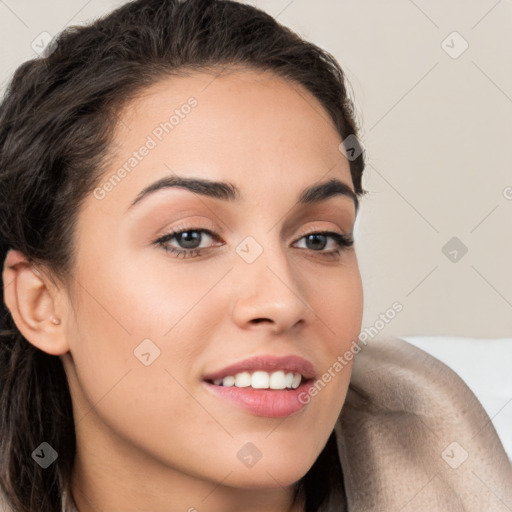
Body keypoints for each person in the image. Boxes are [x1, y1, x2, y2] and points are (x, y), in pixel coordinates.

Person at [0, 1, 510, 511]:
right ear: (42, 302)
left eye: (318, 239)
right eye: (190, 238)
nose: (284, 301)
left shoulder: (449, 454)